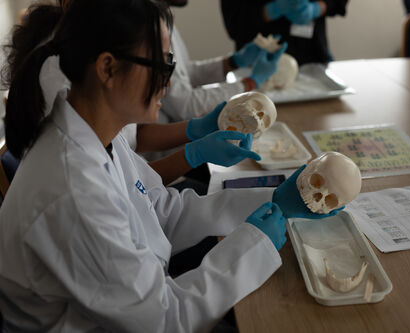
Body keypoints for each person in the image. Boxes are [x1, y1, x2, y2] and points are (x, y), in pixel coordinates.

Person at [0, 0, 341, 331]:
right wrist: (255, 243)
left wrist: (274, 201)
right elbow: (165, 321)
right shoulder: (72, 191)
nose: (169, 79)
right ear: (107, 68)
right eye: (162, 65)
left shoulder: (97, 133)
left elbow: (164, 212)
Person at [3, 0, 271, 188]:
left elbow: (131, 140)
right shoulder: (68, 80)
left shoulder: (107, 50)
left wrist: (197, 131)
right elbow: (127, 187)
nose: (164, 85)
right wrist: (194, 153)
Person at [220, 0, 349, 65]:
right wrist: (270, 11)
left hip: (313, 58)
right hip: (256, 62)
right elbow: (233, 24)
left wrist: (318, 8)